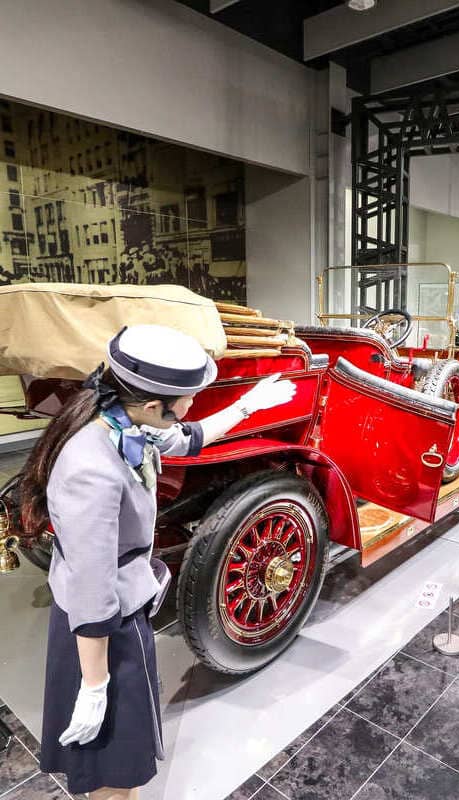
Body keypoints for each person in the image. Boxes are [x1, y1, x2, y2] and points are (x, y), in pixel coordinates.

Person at [20, 325, 296, 799]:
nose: (191, 406)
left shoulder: (122, 422)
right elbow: (92, 589)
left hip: (120, 608)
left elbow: (189, 438)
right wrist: (94, 685)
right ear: (152, 405)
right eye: (187, 397)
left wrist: (250, 403)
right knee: (114, 767)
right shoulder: (92, 467)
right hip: (102, 627)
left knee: (115, 760)